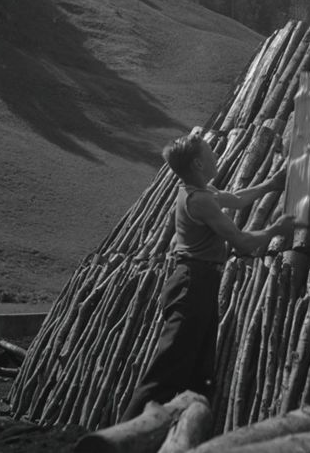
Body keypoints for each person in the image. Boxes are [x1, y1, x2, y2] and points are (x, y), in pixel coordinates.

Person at [120, 131, 295, 420]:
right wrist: (275, 230)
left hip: (199, 283)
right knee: (167, 370)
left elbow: (235, 199)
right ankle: (123, 436)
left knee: (199, 371)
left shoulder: (196, 190)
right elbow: (241, 242)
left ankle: (186, 430)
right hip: (192, 285)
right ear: (199, 164)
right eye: (210, 152)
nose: (215, 155)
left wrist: (271, 184)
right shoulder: (199, 200)